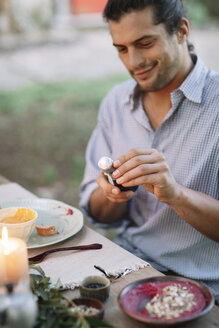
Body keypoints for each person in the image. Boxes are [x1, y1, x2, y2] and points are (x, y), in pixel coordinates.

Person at [79, 0, 219, 301]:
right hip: (125, 269)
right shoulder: (115, 104)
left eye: (145, 43)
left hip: (203, 287)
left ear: (181, 30)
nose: (134, 62)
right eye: (122, 49)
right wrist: (112, 193)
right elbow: (97, 213)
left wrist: (175, 194)